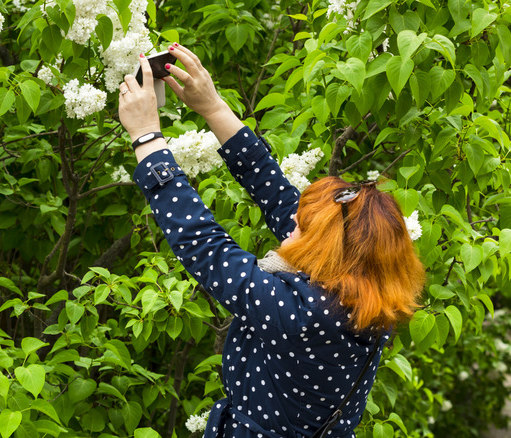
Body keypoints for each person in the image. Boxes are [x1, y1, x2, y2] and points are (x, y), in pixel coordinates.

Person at [117, 44, 425, 438]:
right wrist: (212, 107)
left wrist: (145, 137)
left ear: (325, 249)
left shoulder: (302, 314)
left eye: (302, 225)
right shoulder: (364, 292)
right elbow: (274, 190)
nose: (292, 220)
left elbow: (203, 244)